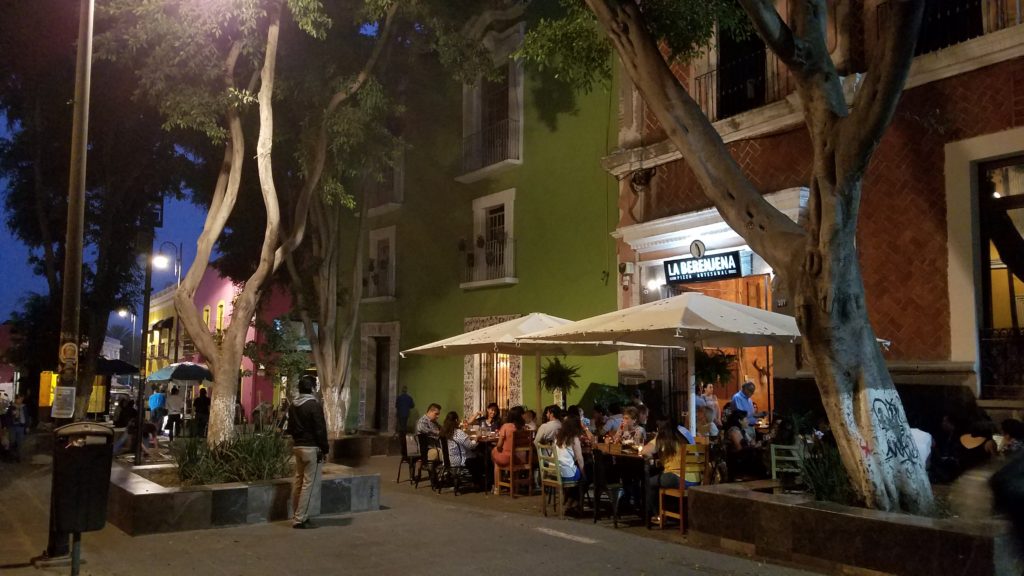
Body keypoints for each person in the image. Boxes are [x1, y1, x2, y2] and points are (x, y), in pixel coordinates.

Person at [287, 375, 328, 529]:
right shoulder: (313, 405)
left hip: (298, 447)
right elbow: (320, 429)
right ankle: (300, 518)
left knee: (298, 482)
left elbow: (290, 428)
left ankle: (297, 514)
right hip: (311, 448)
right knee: (309, 485)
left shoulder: (293, 405)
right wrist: (325, 449)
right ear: (312, 388)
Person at [643, 419, 695, 520]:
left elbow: (645, 451)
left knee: (649, 482)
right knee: (661, 477)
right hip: (695, 479)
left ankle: (657, 514)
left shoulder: (662, 438)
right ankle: (671, 510)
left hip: (679, 478)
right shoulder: (683, 434)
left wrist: (650, 457)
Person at [554, 412, 588, 511]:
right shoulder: (574, 438)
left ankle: (569, 500)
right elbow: (580, 459)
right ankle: (574, 501)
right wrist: (584, 473)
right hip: (564, 472)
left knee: (578, 474)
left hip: (553, 471)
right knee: (585, 477)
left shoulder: (558, 437)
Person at [440, 411, 484, 487]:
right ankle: (478, 482)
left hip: (447, 459)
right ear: (456, 420)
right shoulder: (458, 432)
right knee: (480, 457)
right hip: (459, 460)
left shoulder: (443, 431)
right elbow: (471, 446)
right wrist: (477, 438)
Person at [491, 405, 527, 492]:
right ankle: (512, 484)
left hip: (509, 458)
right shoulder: (523, 428)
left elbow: (499, 445)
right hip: (521, 458)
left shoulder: (506, 426)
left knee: (495, 456)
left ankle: (497, 487)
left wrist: (497, 448)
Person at [6, 394, 29, 462]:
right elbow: (7, 417)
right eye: (19, 399)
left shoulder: (24, 407)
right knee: (12, 442)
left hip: (21, 426)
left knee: (20, 443)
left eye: (22, 399)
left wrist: (27, 426)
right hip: (13, 427)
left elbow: (26, 417)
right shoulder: (11, 407)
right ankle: (12, 457)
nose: (21, 400)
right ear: (16, 399)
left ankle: (19, 458)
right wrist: (7, 425)